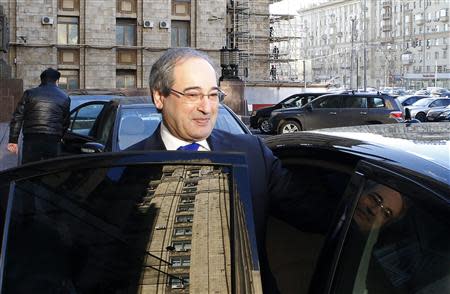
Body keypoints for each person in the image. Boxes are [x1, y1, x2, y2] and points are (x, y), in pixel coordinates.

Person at [128, 48, 329, 292]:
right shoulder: (125, 171)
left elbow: (314, 209)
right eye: (193, 95)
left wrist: (369, 208)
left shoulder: (252, 153)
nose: (207, 108)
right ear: (159, 97)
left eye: (213, 95)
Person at [7, 68, 71, 164]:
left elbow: (17, 117)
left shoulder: (29, 93)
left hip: (31, 138)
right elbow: (65, 122)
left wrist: (13, 140)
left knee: (29, 171)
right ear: (57, 81)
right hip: (53, 138)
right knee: (50, 171)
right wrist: (60, 136)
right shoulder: (65, 97)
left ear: (41, 80)